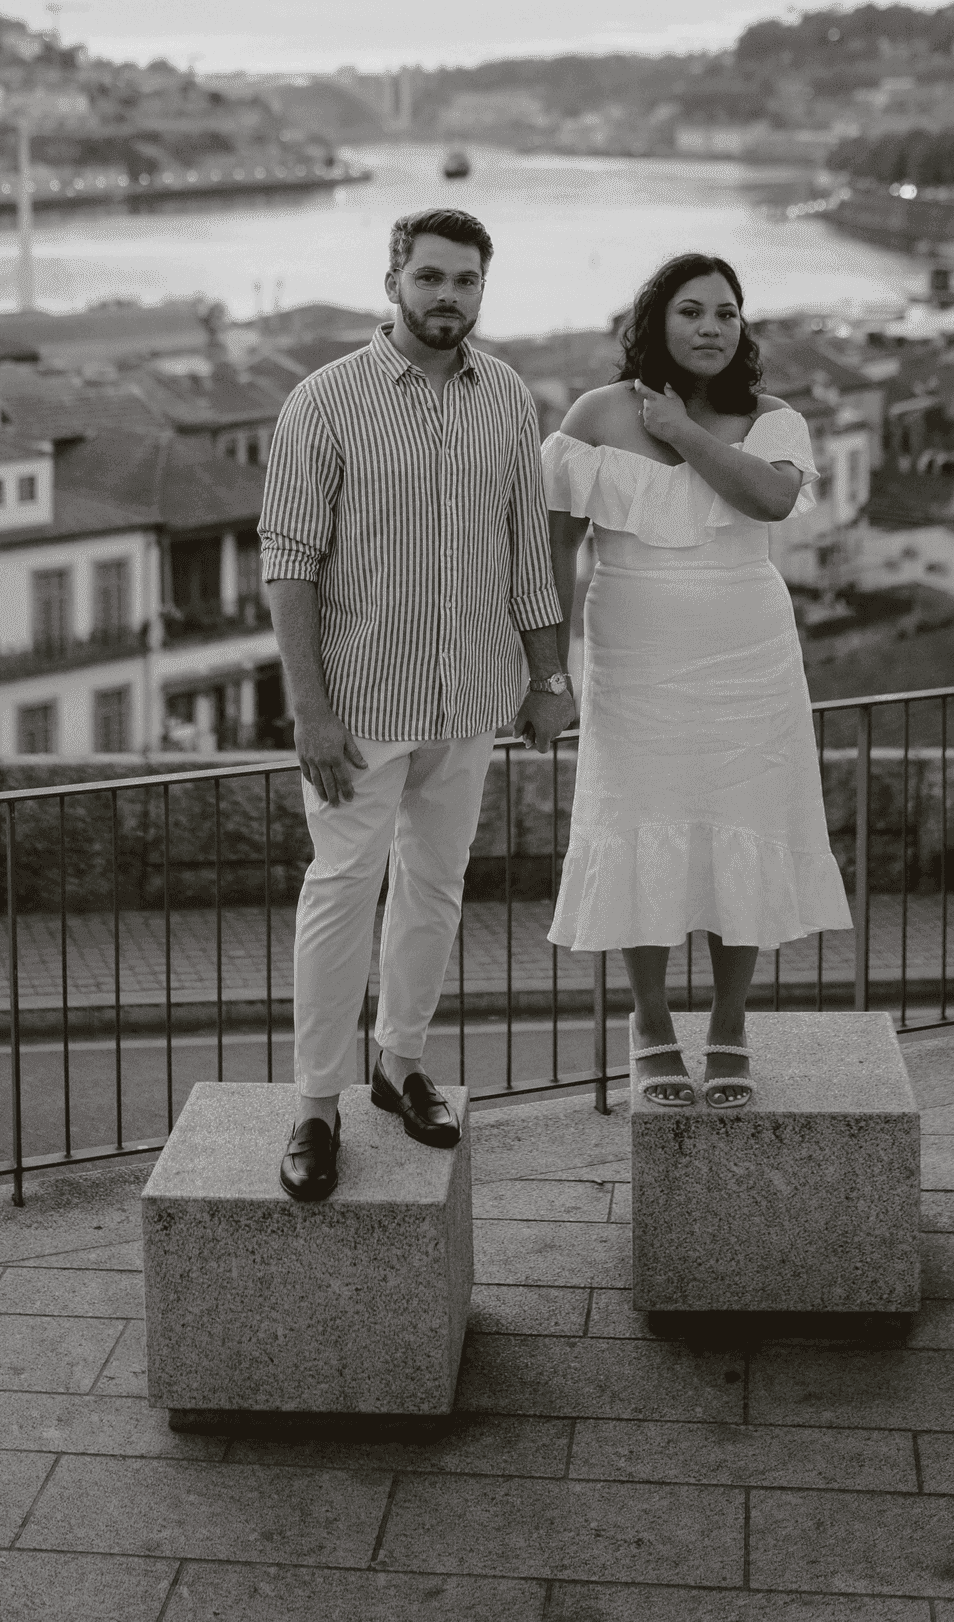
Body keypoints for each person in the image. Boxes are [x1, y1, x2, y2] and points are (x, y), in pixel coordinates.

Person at [259, 207, 577, 1200]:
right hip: (360, 703)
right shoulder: (324, 401)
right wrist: (308, 710)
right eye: (431, 276)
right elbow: (288, 563)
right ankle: (316, 1101)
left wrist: (549, 677)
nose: (449, 296)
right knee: (343, 887)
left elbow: (530, 555)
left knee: (436, 884)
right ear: (393, 277)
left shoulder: (509, 397)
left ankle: (399, 1063)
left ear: (484, 288)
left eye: (467, 280)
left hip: (473, 692)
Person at [540, 253, 852, 1109]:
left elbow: (771, 503)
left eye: (726, 312)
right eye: (691, 311)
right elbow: (556, 548)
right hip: (632, 654)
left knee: (738, 820)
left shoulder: (775, 419)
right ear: (656, 322)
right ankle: (649, 1022)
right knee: (640, 821)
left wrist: (682, 433)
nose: (712, 327)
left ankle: (729, 1022)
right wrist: (548, 674)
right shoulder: (594, 416)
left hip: (748, 655)